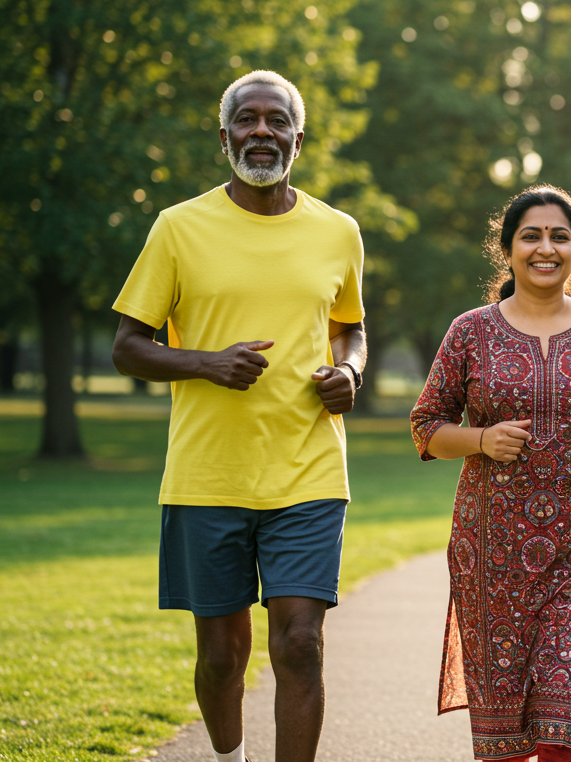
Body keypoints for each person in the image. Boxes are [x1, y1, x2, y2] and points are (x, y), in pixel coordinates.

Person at [111, 71, 366, 762]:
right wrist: (204, 363)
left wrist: (350, 372)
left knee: (301, 645)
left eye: (275, 121)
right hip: (206, 474)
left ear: (298, 138)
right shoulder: (177, 228)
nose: (262, 132)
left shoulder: (339, 232)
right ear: (224, 136)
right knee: (221, 657)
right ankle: (231, 758)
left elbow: (351, 327)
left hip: (308, 470)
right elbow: (127, 347)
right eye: (247, 120)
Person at [409, 186, 571, 762]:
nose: (546, 248)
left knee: (566, 721)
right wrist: (481, 440)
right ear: (508, 248)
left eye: (560, 236)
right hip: (492, 552)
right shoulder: (470, 330)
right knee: (505, 734)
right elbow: (425, 426)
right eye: (532, 236)